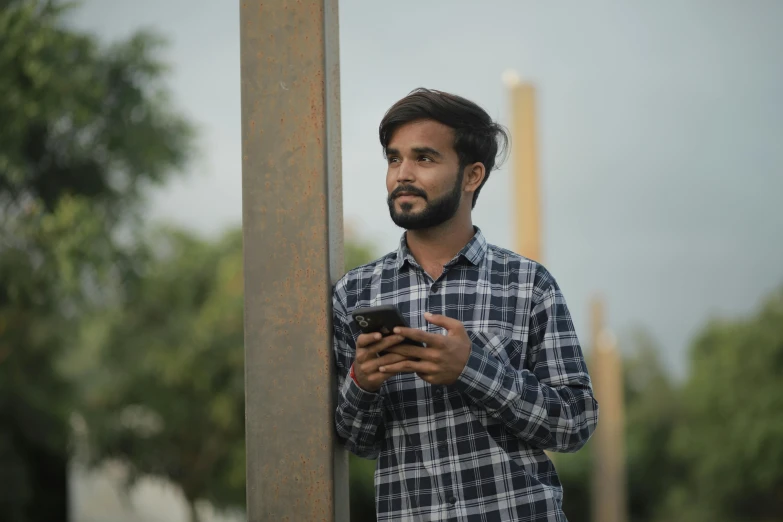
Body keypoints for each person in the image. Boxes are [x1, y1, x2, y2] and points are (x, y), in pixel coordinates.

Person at [333, 88, 598, 522]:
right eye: (394, 158)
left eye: (424, 158)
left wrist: (472, 370)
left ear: (472, 175)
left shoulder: (528, 285)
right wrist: (363, 382)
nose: (402, 173)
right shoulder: (355, 294)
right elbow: (358, 441)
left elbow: (575, 422)